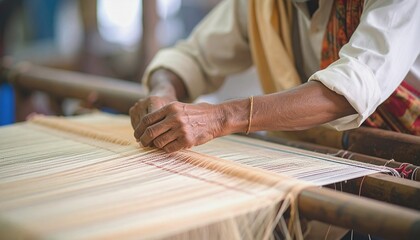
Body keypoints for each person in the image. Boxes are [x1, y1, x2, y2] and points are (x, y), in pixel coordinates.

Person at [129, 0, 420, 153]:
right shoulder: (263, 4)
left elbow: (350, 88)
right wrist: (164, 90)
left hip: (404, 162)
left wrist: (221, 118)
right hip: (318, 157)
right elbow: (193, 57)